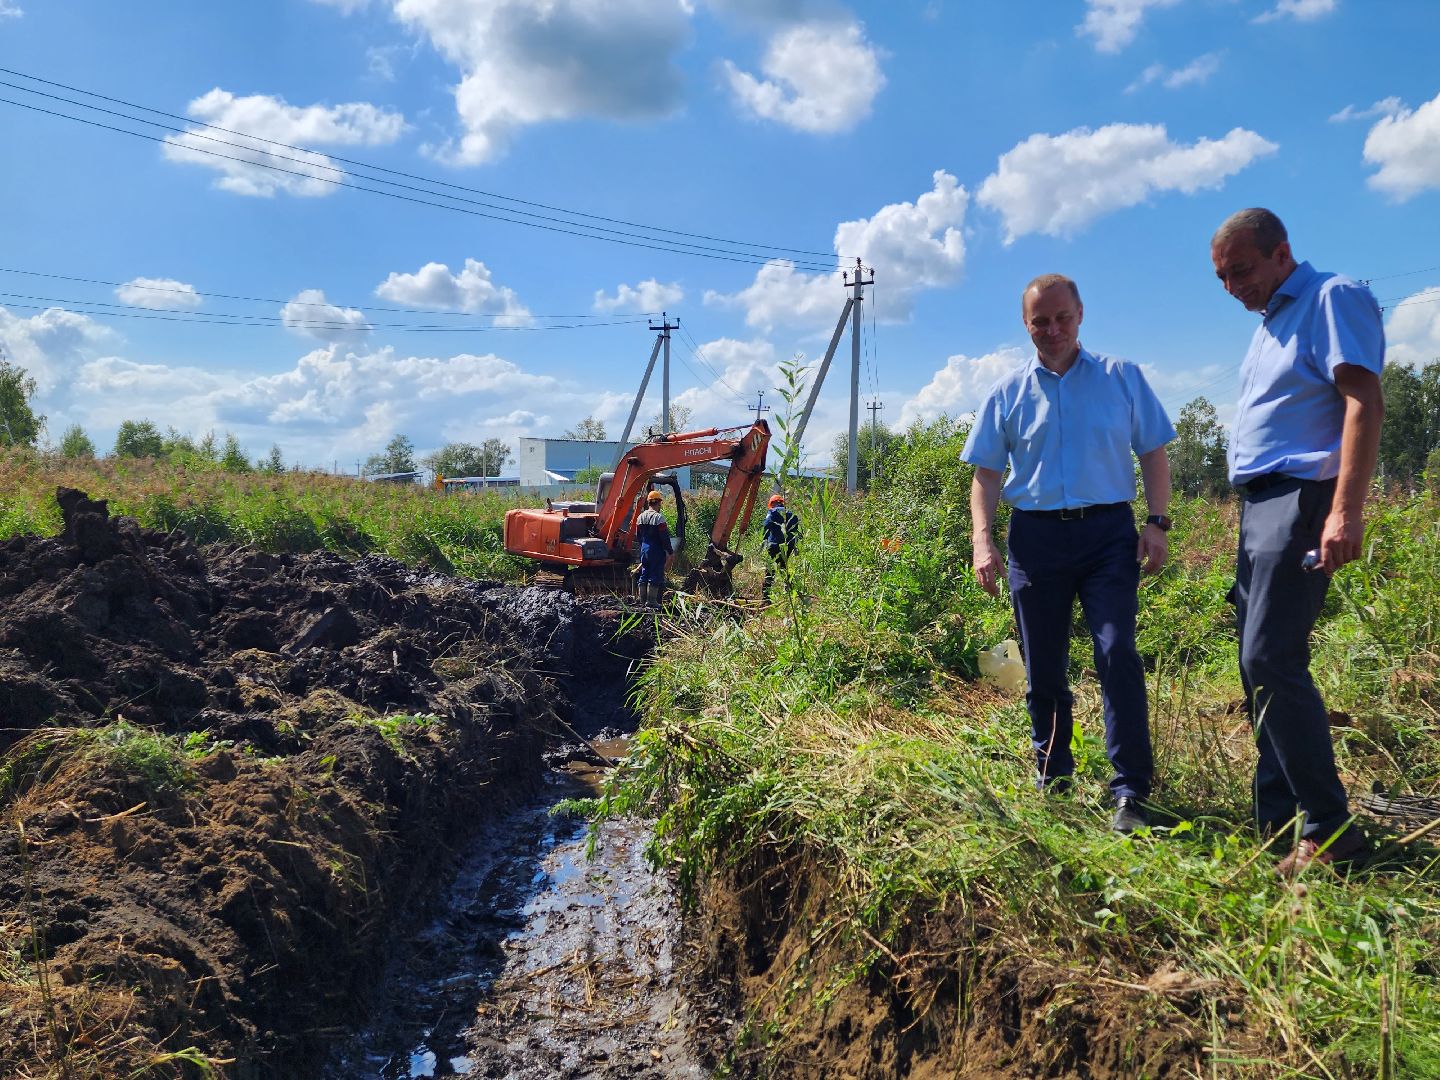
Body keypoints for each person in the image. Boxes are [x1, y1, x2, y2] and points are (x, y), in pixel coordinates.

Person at [962, 273, 1176, 834]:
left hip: (1107, 535)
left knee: (1116, 653)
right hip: (1035, 541)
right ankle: (1053, 779)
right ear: (1026, 324)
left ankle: (1129, 789)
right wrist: (982, 539)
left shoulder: (1121, 379)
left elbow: (1153, 453)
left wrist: (1157, 523)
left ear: (1080, 314)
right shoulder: (1006, 392)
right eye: (1040, 321)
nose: (1052, 330)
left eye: (1062, 318)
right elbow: (985, 475)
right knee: (1044, 668)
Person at [1210, 208, 1384, 874]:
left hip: (1303, 499)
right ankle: (1277, 819)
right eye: (1222, 277)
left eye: (1242, 271)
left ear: (1282, 252)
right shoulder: (1270, 323)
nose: (1233, 287)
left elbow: (1362, 401)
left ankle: (1330, 828)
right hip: (1260, 507)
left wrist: (1345, 510)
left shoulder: (1330, 297)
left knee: (1271, 659)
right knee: (1256, 666)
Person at [634, 490, 672, 607]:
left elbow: (638, 535)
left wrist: (643, 547)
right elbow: (664, 537)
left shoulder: (640, 517)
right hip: (656, 550)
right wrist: (670, 552)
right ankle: (651, 601)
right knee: (655, 574)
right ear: (658, 503)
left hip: (644, 549)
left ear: (649, 502)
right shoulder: (659, 518)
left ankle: (642, 600)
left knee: (644, 573)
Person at [761, 493, 800, 598]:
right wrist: (796, 546)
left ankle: (766, 595)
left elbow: (766, 526)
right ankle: (789, 591)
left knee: (770, 568)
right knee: (783, 566)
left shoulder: (772, 512)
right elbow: (796, 531)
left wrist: (764, 541)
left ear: (772, 503)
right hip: (788, 545)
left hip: (774, 545)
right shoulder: (791, 514)